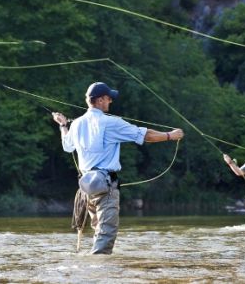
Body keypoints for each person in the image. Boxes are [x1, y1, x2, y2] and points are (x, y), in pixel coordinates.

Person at [52, 81, 184, 254]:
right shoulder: (110, 123)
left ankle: (93, 269)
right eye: (108, 99)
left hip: (88, 188)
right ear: (99, 100)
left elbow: (67, 146)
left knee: (99, 229)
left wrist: (63, 126)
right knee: (106, 234)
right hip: (105, 185)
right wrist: (170, 135)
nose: (110, 102)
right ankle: (100, 271)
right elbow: (145, 135)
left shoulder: (75, 124)